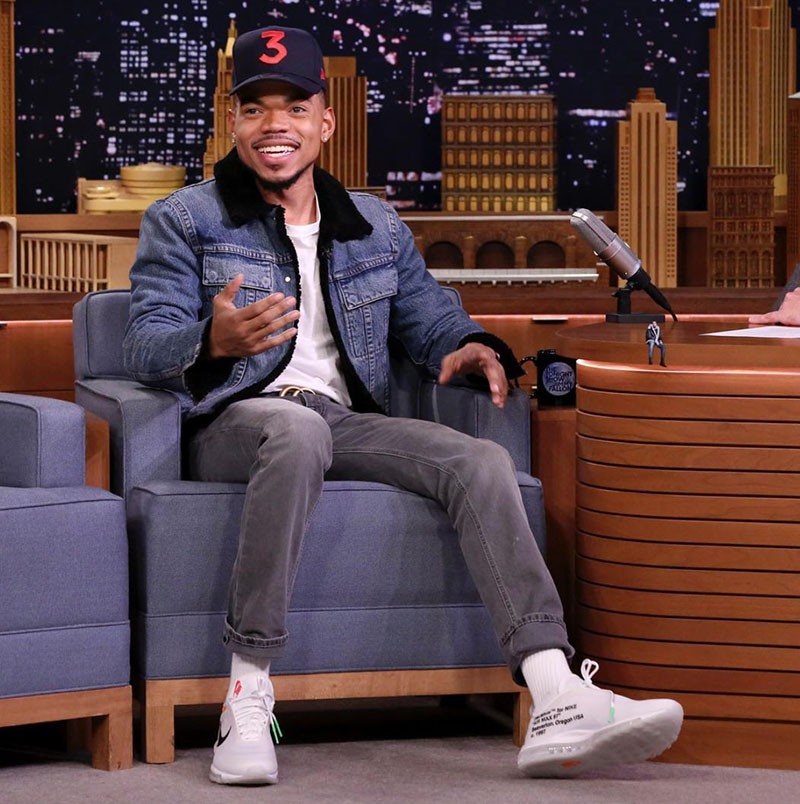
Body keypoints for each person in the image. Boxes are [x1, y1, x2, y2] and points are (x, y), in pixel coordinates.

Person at [123, 25, 683, 786]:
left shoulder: (374, 225)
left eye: (294, 108)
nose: (275, 124)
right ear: (234, 123)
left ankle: (555, 693)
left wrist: (469, 345)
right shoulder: (186, 218)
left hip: (342, 422)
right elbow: (144, 346)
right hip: (236, 420)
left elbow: (429, 318)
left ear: (326, 122)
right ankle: (246, 699)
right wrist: (210, 340)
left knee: (478, 459)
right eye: (255, 109)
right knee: (293, 430)